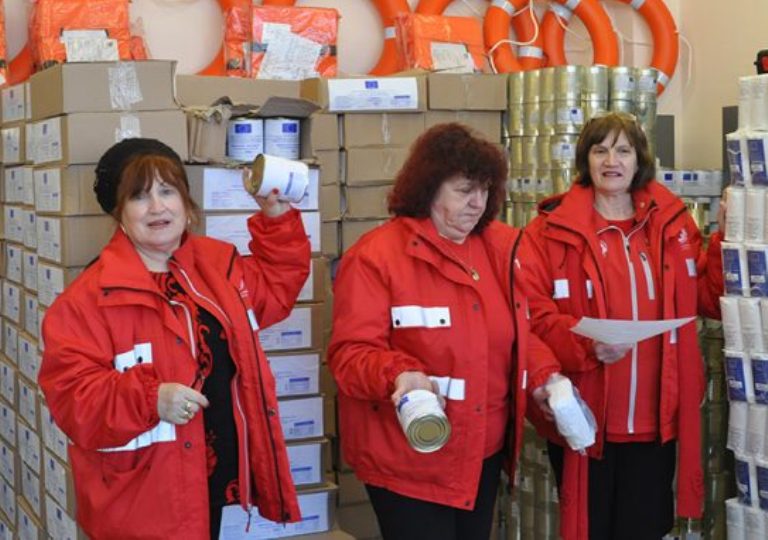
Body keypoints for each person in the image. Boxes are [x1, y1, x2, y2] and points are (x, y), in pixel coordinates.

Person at [38, 138, 311, 539]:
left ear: (186, 202)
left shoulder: (218, 266)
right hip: (142, 500)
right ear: (119, 212)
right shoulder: (87, 300)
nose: (157, 207)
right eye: (139, 196)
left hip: (206, 481)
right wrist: (150, 398)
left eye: (167, 191)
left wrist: (277, 218)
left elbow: (275, 288)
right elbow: (73, 399)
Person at [327, 123, 561, 540]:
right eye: (464, 190)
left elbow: (518, 334)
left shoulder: (500, 251)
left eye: (485, 190)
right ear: (429, 187)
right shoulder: (376, 257)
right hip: (410, 460)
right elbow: (350, 354)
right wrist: (398, 373)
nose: (477, 203)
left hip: (482, 454)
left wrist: (545, 376)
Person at [520, 112, 724, 540]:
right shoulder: (548, 232)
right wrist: (587, 345)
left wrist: (724, 237)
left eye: (623, 151)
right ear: (586, 160)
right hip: (586, 420)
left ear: (639, 160)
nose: (611, 161)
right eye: (600, 150)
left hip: (654, 424)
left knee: (643, 529)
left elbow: (707, 299)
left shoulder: (672, 224)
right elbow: (531, 318)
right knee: (590, 529)